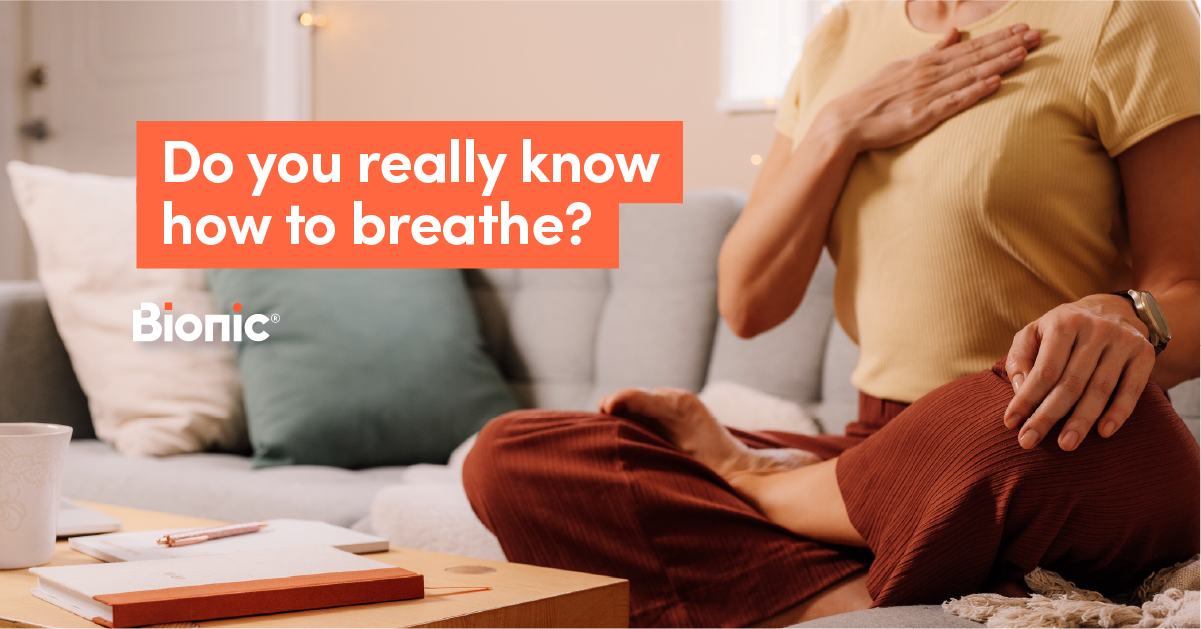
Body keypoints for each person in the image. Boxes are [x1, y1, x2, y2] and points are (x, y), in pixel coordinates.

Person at [463, 0, 1201, 625]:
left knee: (1004, 430)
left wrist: (1127, 315)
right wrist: (837, 128)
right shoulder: (841, 37)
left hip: (1059, 432)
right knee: (517, 455)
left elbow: (1189, 286)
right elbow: (748, 303)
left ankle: (762, 487)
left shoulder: (1123, 16)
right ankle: (858, 596)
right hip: (875, 447)